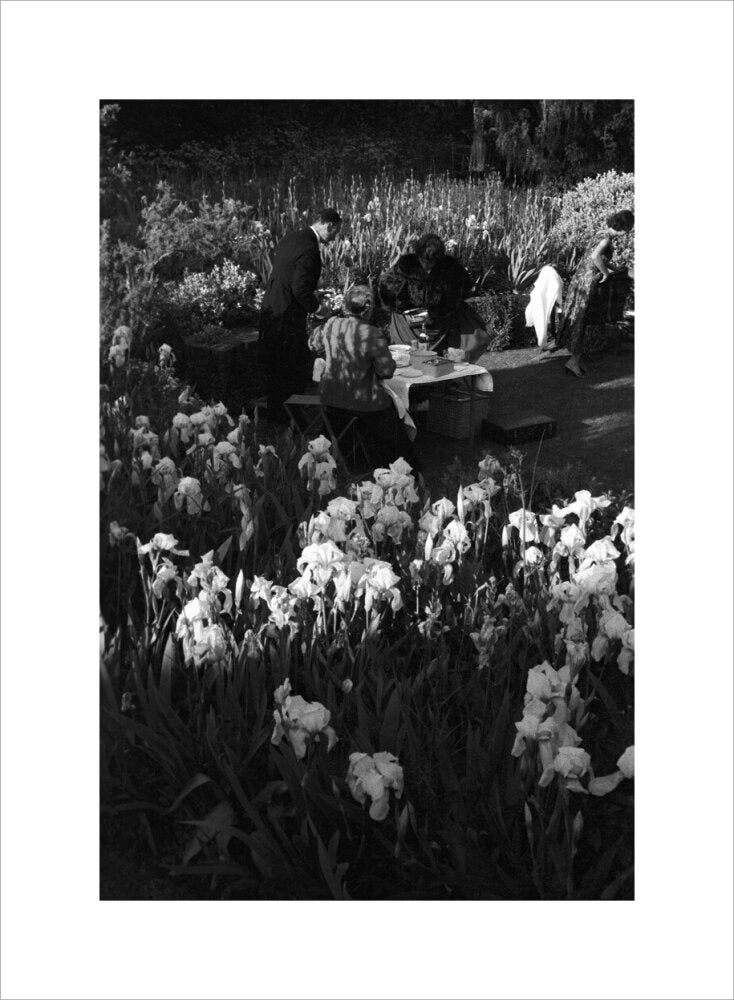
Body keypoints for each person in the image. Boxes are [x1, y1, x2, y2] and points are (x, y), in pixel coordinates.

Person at [308, 284, 419, 469]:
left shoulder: (331, 324)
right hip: (362, 401)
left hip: (331, 397)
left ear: (345, 305)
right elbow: (386, 371)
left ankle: (357, 455)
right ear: (368, 309)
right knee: (392, 411)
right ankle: (401, 464)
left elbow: (313, 344)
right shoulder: (371, 333)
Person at [258, 208, 341, 422]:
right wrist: (318, 309)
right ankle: (290, 418)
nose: (333, 239)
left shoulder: (292, 237)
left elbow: (286, 273)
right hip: (287, 315)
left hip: (271, 308)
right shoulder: (310, 249)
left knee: (274, 366)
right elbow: (300, 288)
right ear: (329, 225)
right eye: (334, 233)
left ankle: (276, 414)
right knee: (289, 367)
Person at [379, 233, 489, 363]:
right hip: (407, 326)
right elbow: (386, 289)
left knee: (441, 359)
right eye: (424, 260)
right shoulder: (406, 265)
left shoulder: (451, 268)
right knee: (409, 357)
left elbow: (463, 290)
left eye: (431, 261)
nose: (427, 264)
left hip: (440, 325)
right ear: (418, 255)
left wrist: (443, 310)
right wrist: (402, 307)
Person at [556, 209, 634, 378]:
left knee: (580, 320)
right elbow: (594, 257)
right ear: (625, 227)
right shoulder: (606, 240)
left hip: (580, 279)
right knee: (582, 321)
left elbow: (596, 259)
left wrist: (612, 268)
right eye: (629, 229)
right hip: (588, 282)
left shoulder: (601, 233)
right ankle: (573, 362)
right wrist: (606, 273)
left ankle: (576, 359)